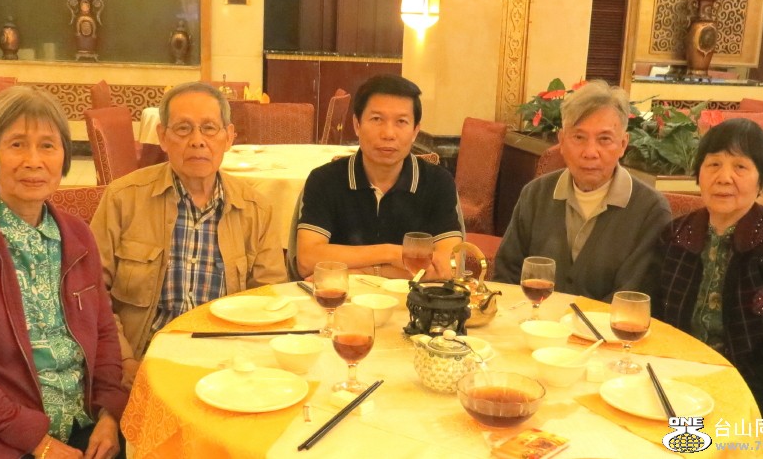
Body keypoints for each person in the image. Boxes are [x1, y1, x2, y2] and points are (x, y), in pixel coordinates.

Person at [0, 86, 128, 458]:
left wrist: (109, 414)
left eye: (47, 146)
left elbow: (103, 334)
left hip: (83, 426)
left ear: (64, 157)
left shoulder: (78, 235)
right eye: (17, 144)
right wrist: (38, 442)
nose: (33, 161)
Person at [90, 81, 286, 389]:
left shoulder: (256, 209)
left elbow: (268, 300)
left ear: (229, 137)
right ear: (162, 137)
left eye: (209, 128)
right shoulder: (123, 199)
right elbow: (92, 292)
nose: (197, 141)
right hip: (143, 360)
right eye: (183, 129)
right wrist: (124, 360)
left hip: (226, 366)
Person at [653, 118, 763, 425]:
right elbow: (654, 319)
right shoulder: (674, 235)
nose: (724, 178)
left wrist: (739, 405)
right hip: (676, 386)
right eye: (713, 164)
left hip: (758, 396)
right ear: (699, 174)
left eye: (740, 167)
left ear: (762, 180)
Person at [493, 80, 670, 301]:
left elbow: (631, 298)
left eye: (604, 139)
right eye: (579, 137)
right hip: (533, 321)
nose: (590, 152)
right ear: (561, 141)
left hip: (606, 324)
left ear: (623, 144)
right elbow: (506, 275)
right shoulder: (535, 195)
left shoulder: (650, 211)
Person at [296, 74, 463, 280]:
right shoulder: (324, 180)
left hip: (410, 299)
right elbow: (307, 261)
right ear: (357, 125)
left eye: (401, 121)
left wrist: (363, 273)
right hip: (343, 299)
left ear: (415, 131)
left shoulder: (437, 183)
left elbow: (449, 266)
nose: (388, 134)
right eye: (377, 119)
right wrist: (392, 253)